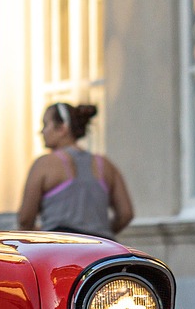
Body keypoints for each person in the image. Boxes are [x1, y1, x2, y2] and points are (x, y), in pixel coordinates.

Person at [17, 102, 133, 239]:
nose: (41, 131)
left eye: (45, 125)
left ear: (62, 128)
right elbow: (126, 213)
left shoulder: (44, 164)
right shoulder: (105, 165)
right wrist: (100, 232)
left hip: (61, 248)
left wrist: (39, 234)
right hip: (101, 250)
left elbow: (25, 219)